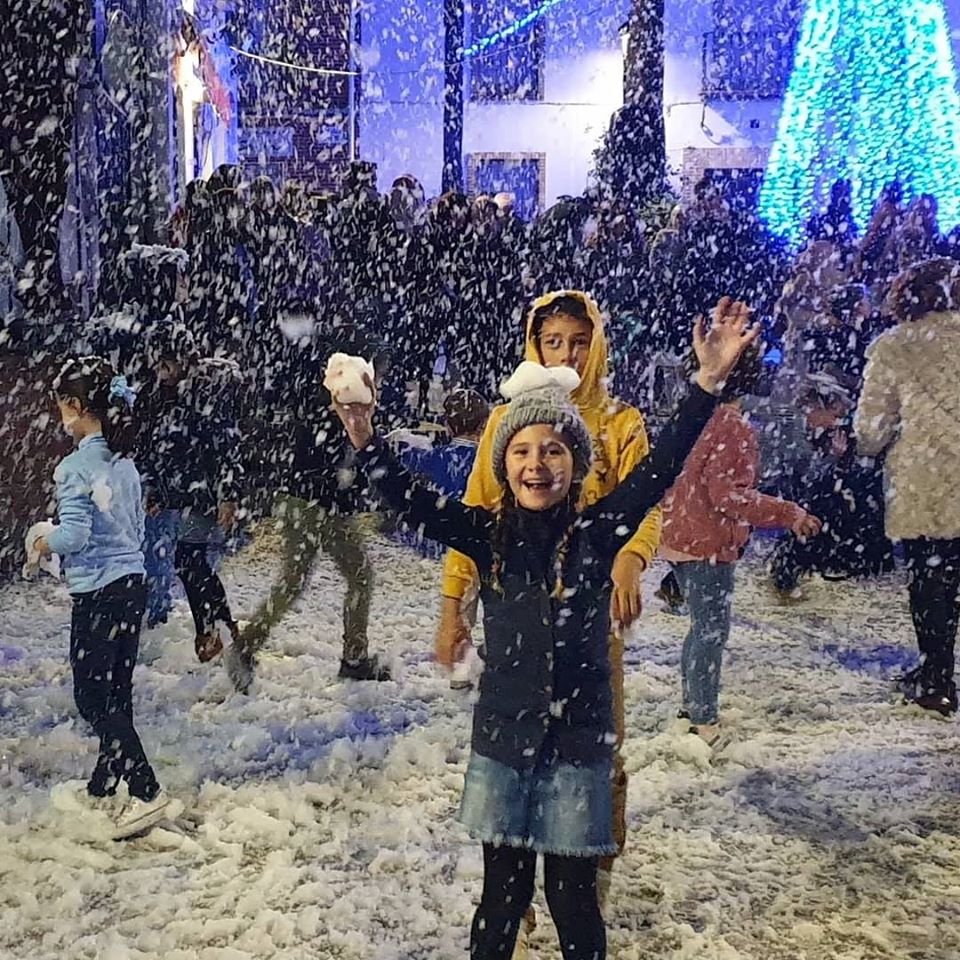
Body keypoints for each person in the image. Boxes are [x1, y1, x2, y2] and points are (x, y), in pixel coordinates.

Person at [331, 297, 758, 960]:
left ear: (577, 463)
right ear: (503, 464)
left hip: (578, 747)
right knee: (501, 900)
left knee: (573, 900)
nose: (537, 464)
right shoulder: (487, 535)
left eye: (554, 450)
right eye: (523, 451)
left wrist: (706, 382)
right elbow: (409, 500)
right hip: (503, 745)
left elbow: (660, 468)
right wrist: (362, 434)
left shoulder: (596, 532)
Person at [439, 289, 661, 927]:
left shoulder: (619, 422)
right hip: (518, 616)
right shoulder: (510, 422)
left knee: (595, 749)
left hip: (590, 617)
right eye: (553, 341)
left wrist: (631, 557)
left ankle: (586, 867)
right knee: (516, 746)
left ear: (598, 345)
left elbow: (645, 501)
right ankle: (514, 882)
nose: (567, 354)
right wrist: (454, 606)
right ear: (534, 347)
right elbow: (475, 514)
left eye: (579, 341)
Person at [31, 357, 168, 839]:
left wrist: (41, 541)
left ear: (74, 406)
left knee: (91, 697)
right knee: (117, 693)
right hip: (132, 585)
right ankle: (104, 783)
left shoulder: (75, 468)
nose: (59, 416)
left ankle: (147, 791)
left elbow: (74, 536)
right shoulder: (124, 463)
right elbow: (138, 529)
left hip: (98, 592)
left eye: (60, 406)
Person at [660, 343, 821, 746]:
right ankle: (703, 719)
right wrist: (788, 513)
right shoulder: (732, 426)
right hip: (708, 540)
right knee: (710, 631)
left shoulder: (691, 415)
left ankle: (691, 708)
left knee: (700, 628)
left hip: (680, 532)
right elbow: (729, 496)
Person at [228, 322, 394, 692]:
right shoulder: (345, 399)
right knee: (356, 576)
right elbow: (348, 456)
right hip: (320, 504)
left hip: (301, 498)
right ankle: (353, 658)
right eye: (378, 370)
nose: (381, 379)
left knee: (294, 581)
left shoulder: (323, 389)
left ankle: (248, 643)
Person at [855, 258, 960, 716]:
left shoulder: (895, 347)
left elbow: (871, 429)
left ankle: (936, 675)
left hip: (926, 478)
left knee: (930, 578)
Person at [136, 324, 244, 662]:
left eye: (167, 362)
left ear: (184, 358)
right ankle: (217, 630)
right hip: (183, 491)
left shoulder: (205, 393)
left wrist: (227, 493)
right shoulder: (158, 395)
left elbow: (224, 445)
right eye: (158, 363)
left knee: (190, 561)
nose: (162, 370)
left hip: (203, 491)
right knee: (191, 563)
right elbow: (154, 446)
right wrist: (156, 490)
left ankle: (213, 632)